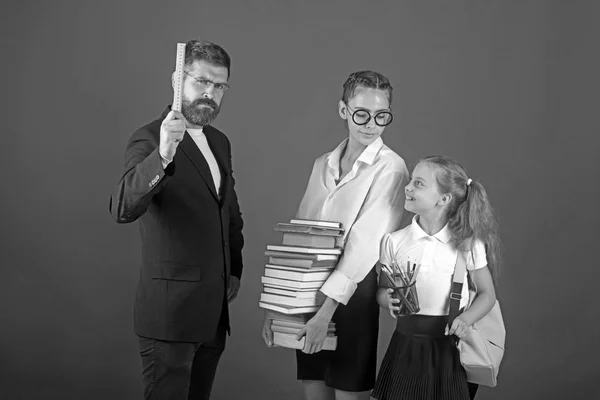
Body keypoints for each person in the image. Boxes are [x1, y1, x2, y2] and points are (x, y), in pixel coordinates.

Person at [109, 39, 244, 400]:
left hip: (212, 313)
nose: (210, 94)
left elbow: (228, 212)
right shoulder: (150, 137)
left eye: (219, 86)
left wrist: (234, 272)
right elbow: (123, 207)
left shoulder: (219, 141)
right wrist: (164, 154)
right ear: (177, 80)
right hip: (170, 316)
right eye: (201, 82)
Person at [263, 70, 410, 400]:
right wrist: (279, 309)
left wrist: (325, 313)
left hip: (353, 292)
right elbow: (301, 235)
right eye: (361, 114)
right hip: (308, 290)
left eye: (381, 116)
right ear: (344, 110)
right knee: (313, 388)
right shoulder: (323, 164)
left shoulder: (392, 168)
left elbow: (365, 244)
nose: (371, 124)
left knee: (347, 391)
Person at [371, 155, 502, 400]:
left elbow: (487, 294)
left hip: (448, 348)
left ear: (443, 199)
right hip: (405, 345)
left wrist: (466, 319)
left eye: (419, 183)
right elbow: (382, 289)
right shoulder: (394, 241)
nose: (408, 187)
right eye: (411, 180)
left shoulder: (467, 245)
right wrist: (387, 299)